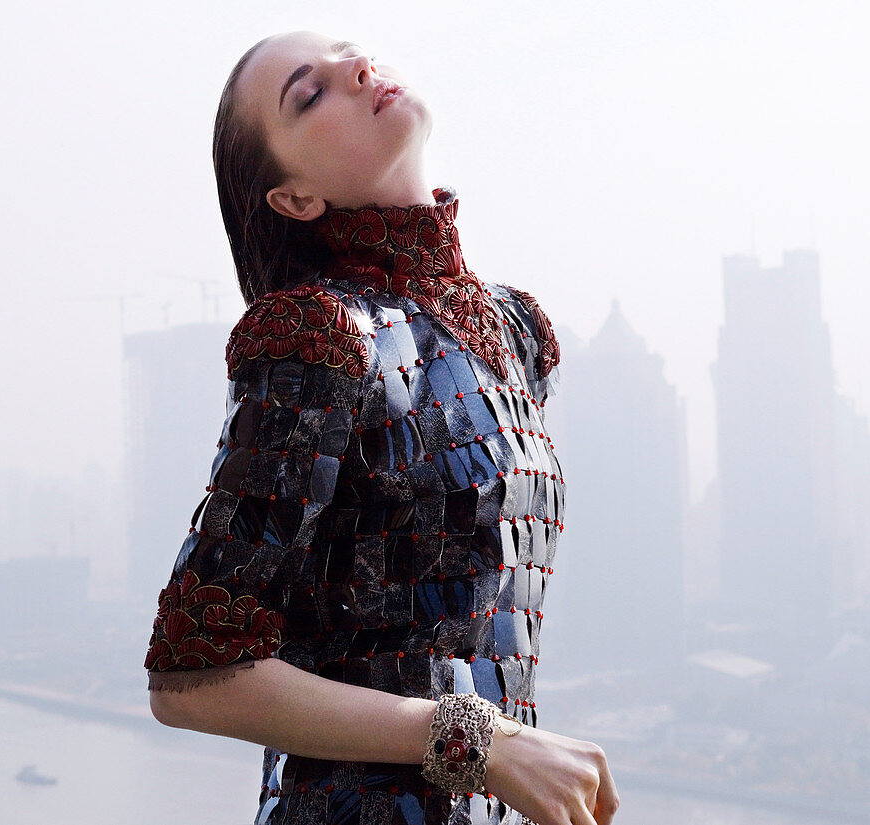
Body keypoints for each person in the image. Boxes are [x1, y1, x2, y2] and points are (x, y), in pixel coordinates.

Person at [145, 30, 620, 825]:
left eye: (350, 52)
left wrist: (508, 751)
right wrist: (484, 741)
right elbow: (190, 675)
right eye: (311, 93)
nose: (357, 70)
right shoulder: (315, 332)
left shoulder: (513, 329)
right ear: (295, 198)